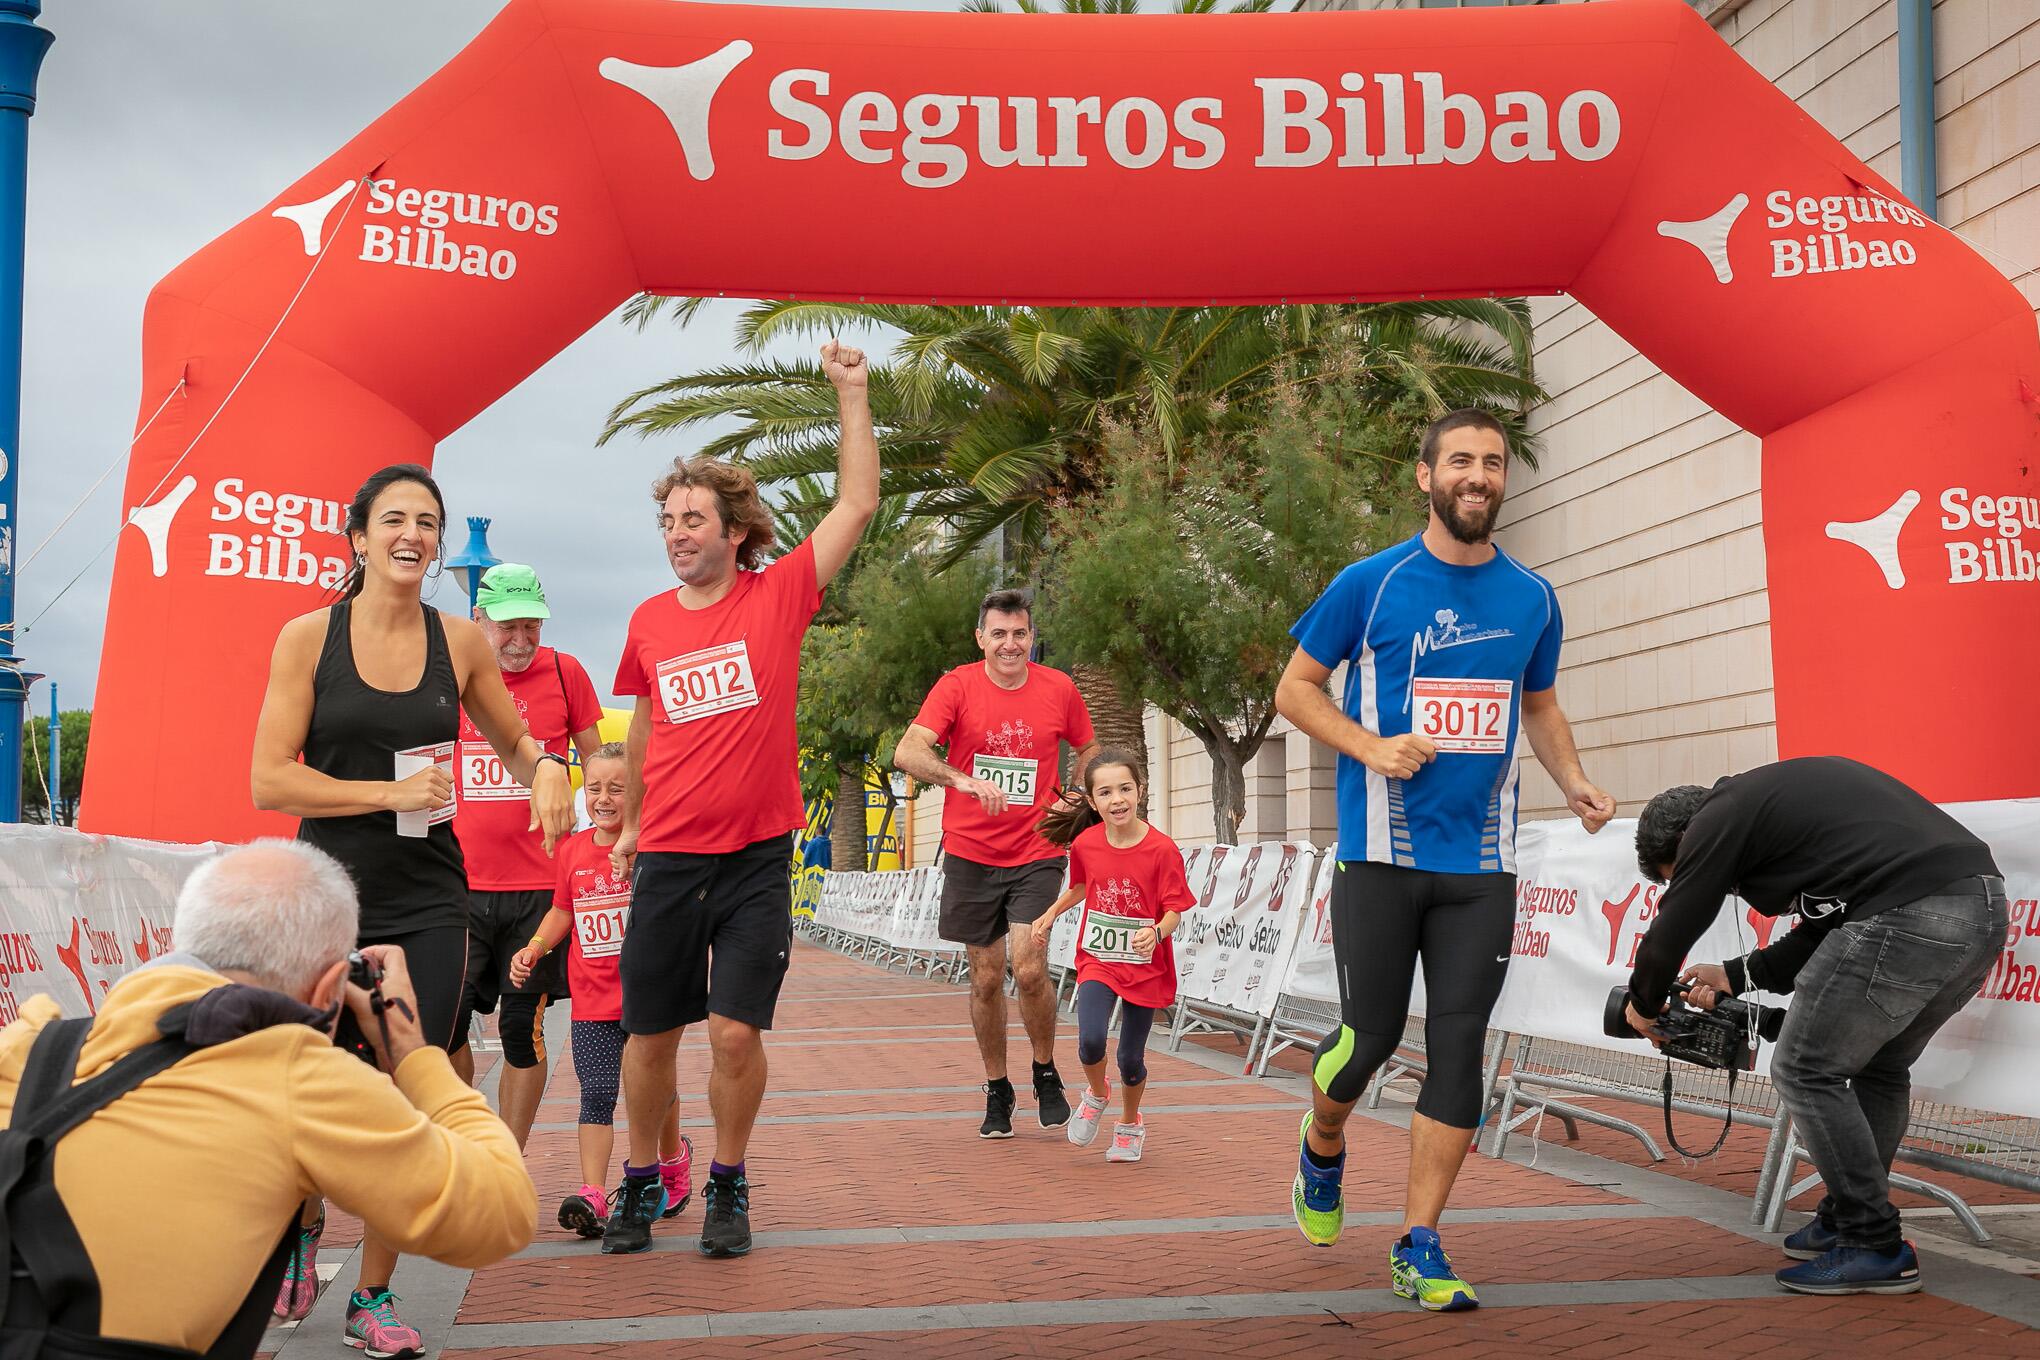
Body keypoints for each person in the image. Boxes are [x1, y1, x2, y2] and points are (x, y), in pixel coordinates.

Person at [1273, 407, 1613, 1312]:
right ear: (1424, 477)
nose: (1478, 474)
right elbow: (1295, 686)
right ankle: (1322, 1140)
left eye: (1492, 462)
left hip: (1481, 868)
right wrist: (1369, 745)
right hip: (1380, 861)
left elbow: (1536, 704)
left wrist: (1573, 779)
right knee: (1369, 1042)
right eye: (1460, 459)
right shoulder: (1371, 584)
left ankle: (1420, 1242)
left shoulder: (1533, 598)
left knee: (1460, 1050)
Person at [251, 463, 572, 1352]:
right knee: (312, 1083)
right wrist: (381, 796)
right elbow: (269, 777)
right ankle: (303, 1220)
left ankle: (373, 1296)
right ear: (358, 537)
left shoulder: (460, 642)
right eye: (394, 519)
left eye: (427, 521)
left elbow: (512, 736)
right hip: (328, 898)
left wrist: (545, 768)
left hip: (433, 897)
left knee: (411, 1085)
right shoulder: (307, 638)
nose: (413, 534)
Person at [0, 840, 536, 1358]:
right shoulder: (296, 1075)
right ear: (330, 987)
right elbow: (500, 1211)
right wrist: (413, 1051)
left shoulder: (31, 1044)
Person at [604, 340, 878, 1257]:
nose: (679, 533)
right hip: (670, 858)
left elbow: (858, 503)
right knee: (648, 1037)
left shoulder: (780, 594)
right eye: (669, 522)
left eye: (694, 519)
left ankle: (727, 1182)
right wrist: (633, 820)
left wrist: (852, 392)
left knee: (730, 1035)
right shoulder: (645, 623)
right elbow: (643, 729)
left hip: (759, 855)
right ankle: (640, 1182)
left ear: (734, 531)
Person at [1623, 756, 2007, 1297]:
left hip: (1908, 913)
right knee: (1880, 1065)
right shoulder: (1781, 815)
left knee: (1805, 1069)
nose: (1727, 887)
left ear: (1686, 840)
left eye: (1682, 869)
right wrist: (1735, 975)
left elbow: (1679, 916)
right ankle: (1847, 1216)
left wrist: (1643, 1000)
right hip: (1981, 910)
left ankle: (1873, 1242)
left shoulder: (1718, 814)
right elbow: (1822, 930)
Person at [893, 587, 1097, 1139]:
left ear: (1032, 638)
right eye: (1000, 634)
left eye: (1021, 634)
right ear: (981, 638)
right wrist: (963, 780)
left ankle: (1045, 1069)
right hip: (971, 853)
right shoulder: (957, 685)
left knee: (1028, 967)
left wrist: (1077, 797)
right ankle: (997, 1088)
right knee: (985, 977)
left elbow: (1090, 750)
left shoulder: (1059, 688)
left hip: (1038, 850)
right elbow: (908, 752)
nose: (1011, 644)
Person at [448, 562, 606, 1155]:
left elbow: (600, 767)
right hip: (460, 885)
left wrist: (614, 840)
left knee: (520, 1026)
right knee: (444, 1025)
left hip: (540, 887)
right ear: (479, 620)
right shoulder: (453, 674)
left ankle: (506, 1161)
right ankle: (467, 1133)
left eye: (532, 627)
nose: (520, 642)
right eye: (508, 628)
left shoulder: (565, 674)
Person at [510, 743, 693, 1238]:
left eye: (618, 788)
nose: (605, 798)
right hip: (591, 999)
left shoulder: (653, 845)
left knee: (655, 1091)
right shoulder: (572, 850)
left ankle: (672, 1157)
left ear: (638, 793)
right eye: (595, 789)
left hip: (648, 995)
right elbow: (562, 910)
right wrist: (534, 947)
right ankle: (593, 1193)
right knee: (597, 1093)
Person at [1030, 751, 1189, 1163]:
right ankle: (1097, 1093)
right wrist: (1050, 913)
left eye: (1125, 789)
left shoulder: (1162, 849)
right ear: (1092, 800)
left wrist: (1155, 933)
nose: (1117, 799)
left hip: (1144, 964)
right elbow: (1082, 885)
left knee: (1130, 1059)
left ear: (1139, 791)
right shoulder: (1085, 843)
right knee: (1090, 1040)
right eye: (1106, 792)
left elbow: (1175, 909)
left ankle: (1130, 1122)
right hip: (1099, 958)